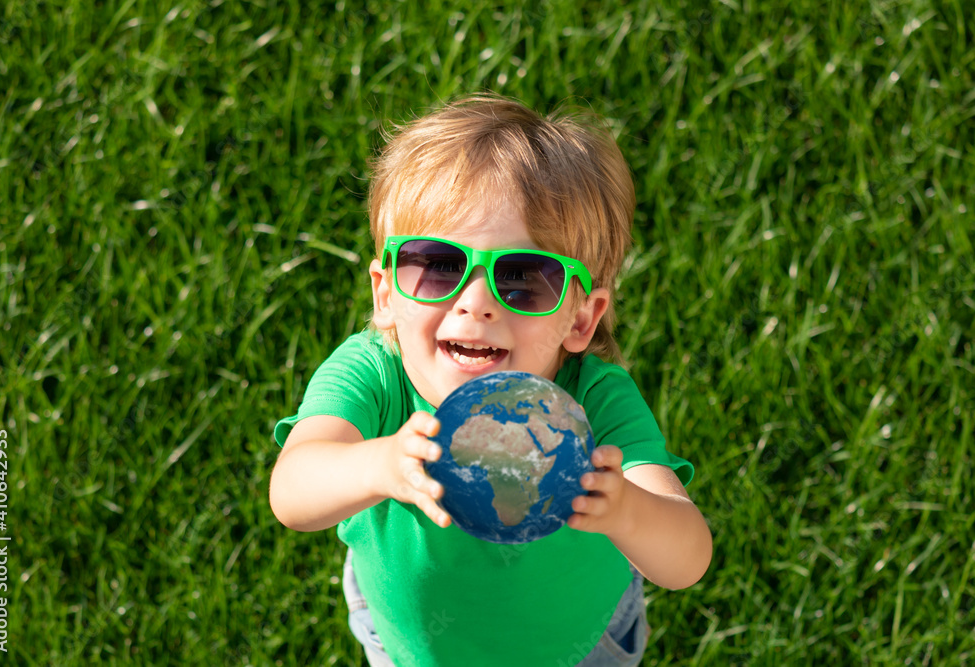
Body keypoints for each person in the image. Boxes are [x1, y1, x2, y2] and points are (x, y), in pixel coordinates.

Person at [269, 94, 712, 667]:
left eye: (524, 278)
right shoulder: (374, 375)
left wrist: (628, 509)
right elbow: (292, 492)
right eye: (439, 266)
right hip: (411, 645)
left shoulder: (594, 402)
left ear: (581, 317)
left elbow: (688, 558)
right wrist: (379, 464)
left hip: (577, 648)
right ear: (385, 294)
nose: (475, 303)